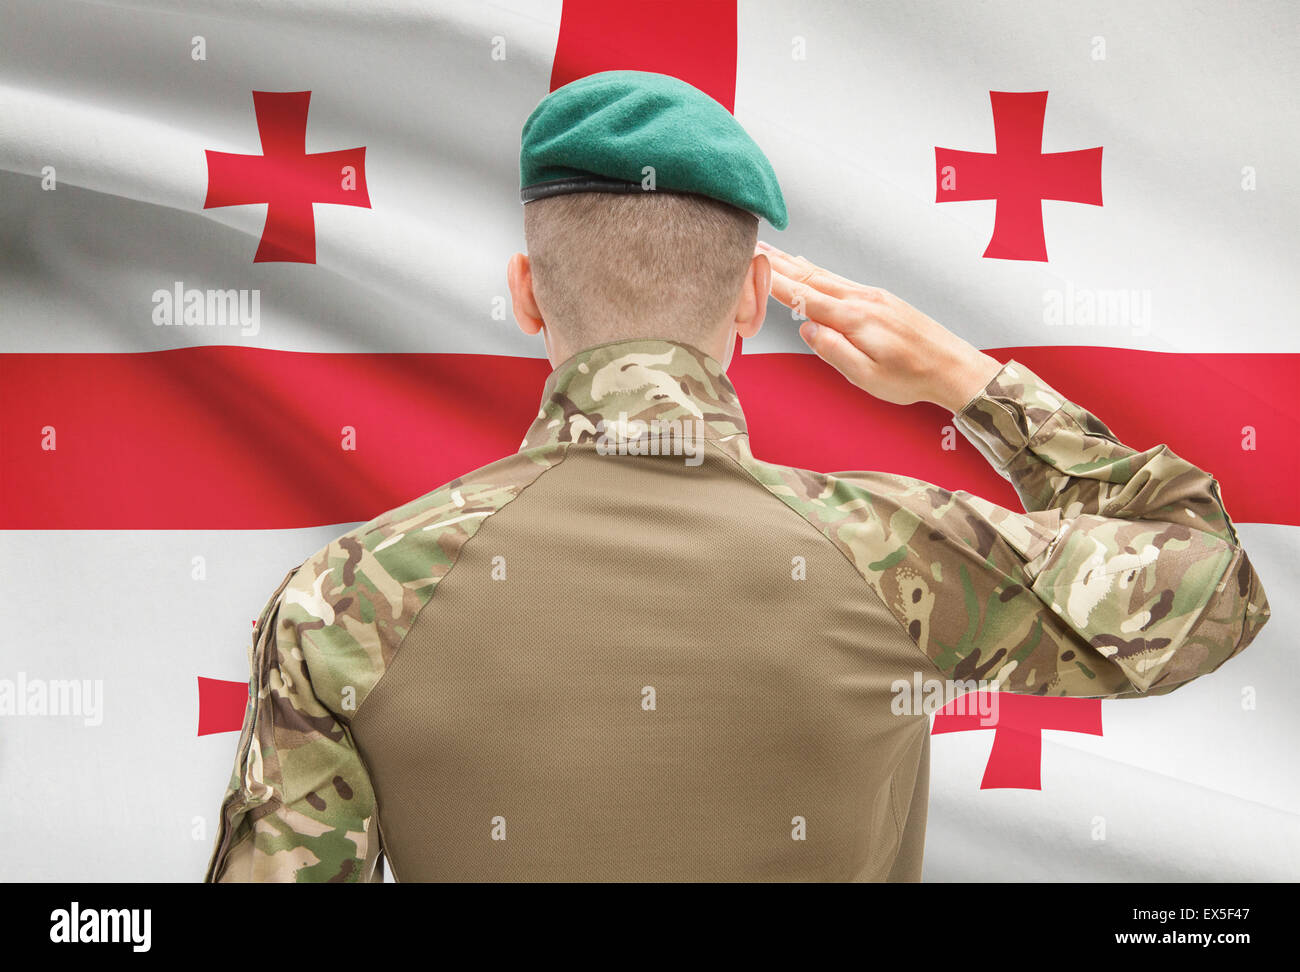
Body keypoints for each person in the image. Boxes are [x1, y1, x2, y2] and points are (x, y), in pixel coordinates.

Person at [204, 70, 1269, 882]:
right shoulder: (894, 554)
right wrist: (968, 382)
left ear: (527, 293)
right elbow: (1212, 585)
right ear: (754, 298)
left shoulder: (341, 599)